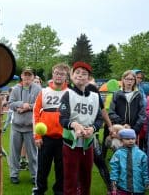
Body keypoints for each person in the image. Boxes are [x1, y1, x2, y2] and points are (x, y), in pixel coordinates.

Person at [59, 61, 103, 195]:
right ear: (71, 76)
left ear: (88, 78)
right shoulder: (68, 94)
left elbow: (99, 119)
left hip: (88, 144)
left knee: (86, 179)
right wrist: (74, 125)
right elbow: (62, 119)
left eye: (84, 74)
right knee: (70, 180)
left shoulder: (95, 97)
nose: (80, 76)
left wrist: (92, 129)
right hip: (71, 144)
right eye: (77, 72)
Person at [32, 63, 70, 195]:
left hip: (64, 137)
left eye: (62, 74)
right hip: (45, 138)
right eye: (57, 73)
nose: (59, 76)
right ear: (52, 75)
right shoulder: (44, 92)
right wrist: (37, 136)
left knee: (62, 168)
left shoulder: (70, 93)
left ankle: (59, 191)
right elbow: (36, 113)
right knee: (42, 168)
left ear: (66, 77)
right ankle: (39, 190)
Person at [8, 67, 42, 184]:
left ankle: (34, 175)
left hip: (30, 127)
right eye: (25, 75)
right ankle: (14, 174)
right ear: (21, 76)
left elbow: (40, 104)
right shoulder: (15, 89)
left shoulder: (38, 89)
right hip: (16, 127)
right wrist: (22, 104)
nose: (27, 78)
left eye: (29, 75)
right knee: (14, 153)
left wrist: (28, 107)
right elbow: (10, 103)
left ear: (33, 77)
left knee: (32, 154)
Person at [109, 128, 149, 194]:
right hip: (123, 187)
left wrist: (146, 181)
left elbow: (145, 169)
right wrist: (114, 179)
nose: (131, 141)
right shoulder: (118, 154)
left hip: (138, 187)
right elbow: (114, 168)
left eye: (133, 139)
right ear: (121, 140)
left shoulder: (141, 154)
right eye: (127, 139)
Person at [109, 70, 146, 137]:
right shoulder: (116, 94)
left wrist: (135, 128)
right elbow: (111, 112)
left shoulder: (138, 95)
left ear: (135, 81)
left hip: (134, 129)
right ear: (123, 80)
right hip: (119, 128)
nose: (129, 81)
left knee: (131, 146)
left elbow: (142, 114)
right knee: (120, 146)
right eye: (127, 79)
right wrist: (122, 124)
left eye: (132, 79)